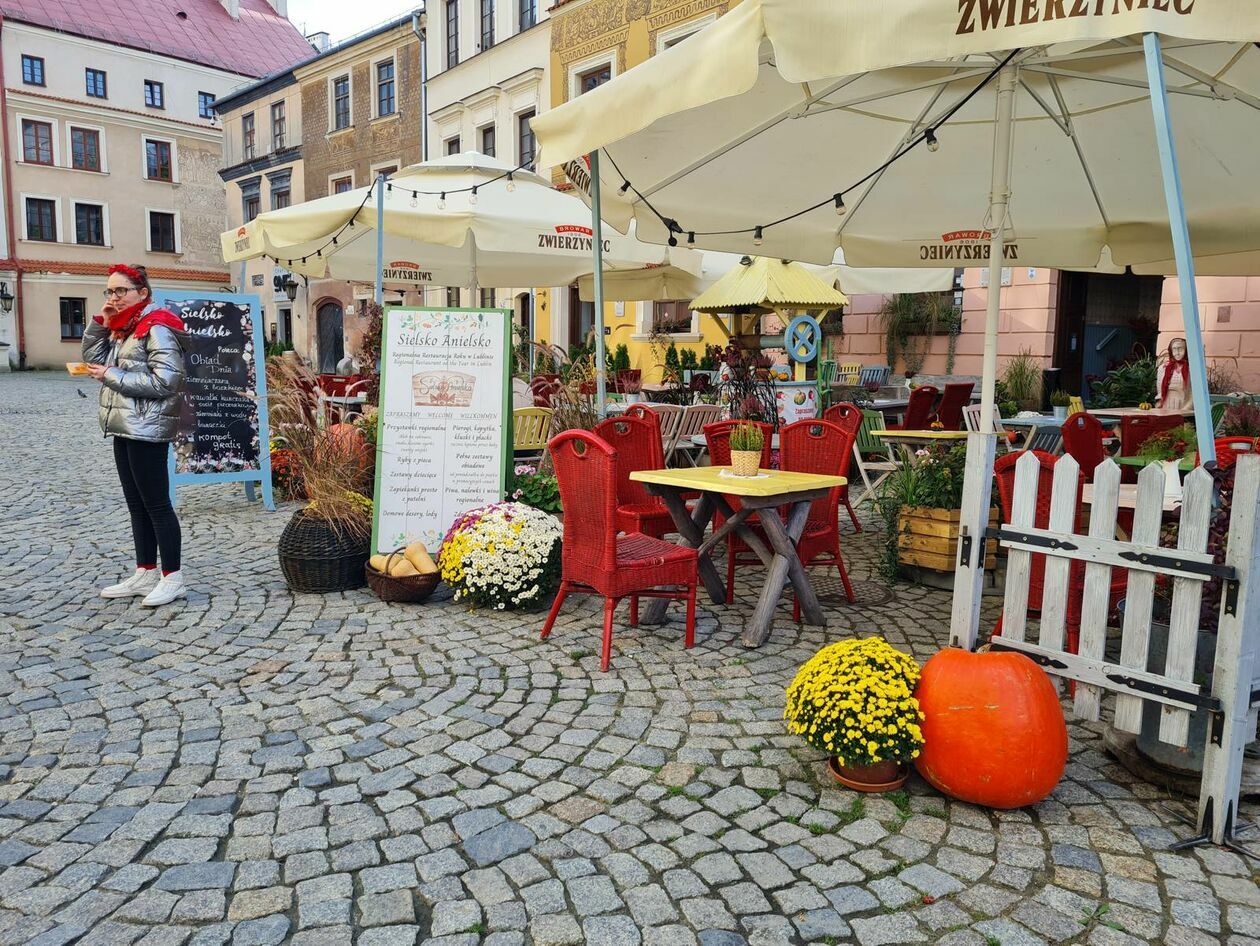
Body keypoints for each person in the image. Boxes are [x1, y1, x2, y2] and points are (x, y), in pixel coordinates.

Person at [82, 264, 190, 607]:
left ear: (142, 293)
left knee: (157, 504)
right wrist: (100, 322)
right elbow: (92, 358)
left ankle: (172, 577)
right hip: (124, 425)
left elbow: (166, 382)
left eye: (120, 291)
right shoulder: (123, 328)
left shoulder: (156, 327)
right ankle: (145, 571)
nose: (113, 297)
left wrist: (112, 376)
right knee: (136, 505)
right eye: (109, 292)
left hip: (148, 427)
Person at [1157, 337, 1193, 413]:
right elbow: (1160, 392)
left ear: (1186, 350)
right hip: (1166, 405)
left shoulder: (1192, 369)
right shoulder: (1163, 368)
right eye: (1174, 349)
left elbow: (1194, 394)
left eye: (1180, 349)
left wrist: (1185, 410)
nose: (1177, 352)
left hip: (1183, 405)